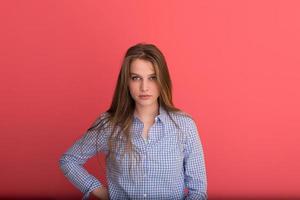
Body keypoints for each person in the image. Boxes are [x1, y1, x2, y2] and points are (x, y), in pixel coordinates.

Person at [59, 43, 207, 200]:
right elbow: (68, 160)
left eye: (152, 78)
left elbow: (198, 191)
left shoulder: (184, 125)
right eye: (136, 78)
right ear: (126, 82)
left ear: (162, 80)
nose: (144, 87)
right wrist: (98, 191)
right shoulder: (109, 124)